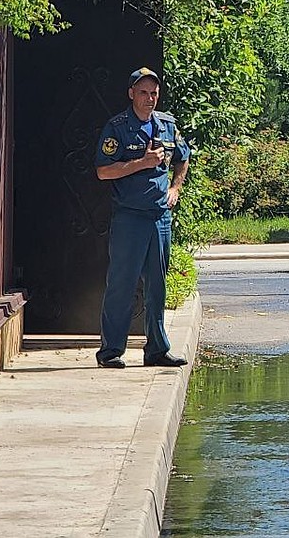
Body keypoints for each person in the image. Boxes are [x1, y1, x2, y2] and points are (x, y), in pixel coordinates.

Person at [94, 67, 191, 368]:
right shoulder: (118, 127)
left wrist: (175, 188)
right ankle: (110, 351)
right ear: (131, 94)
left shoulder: (166, 125)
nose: (150, 98)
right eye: (144, 93)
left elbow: (184, 156)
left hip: (159, 218)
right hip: (130, 217)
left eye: (154, 93)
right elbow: (103, 171)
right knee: (122, 285)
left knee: (157, 286)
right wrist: (142, 162)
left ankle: (157, 350)